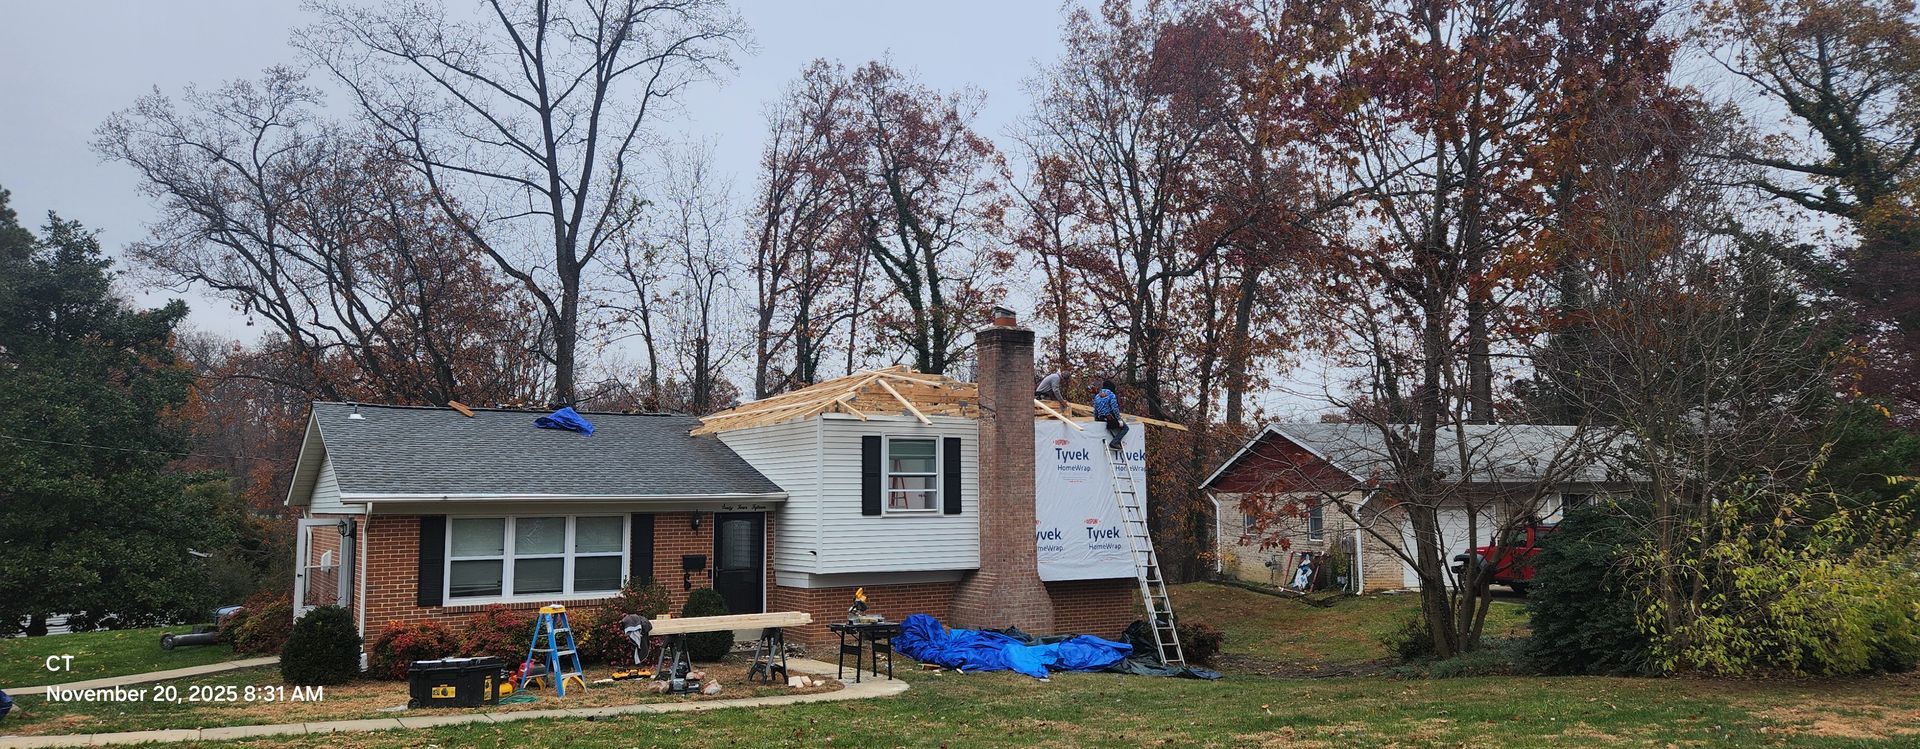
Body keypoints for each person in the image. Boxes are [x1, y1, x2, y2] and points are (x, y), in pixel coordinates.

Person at [1092, 379, 1128, 449]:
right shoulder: (1111, 395)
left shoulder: (1097, 396)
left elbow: (1095, 410)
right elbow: (1114, 408)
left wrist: (1096, 419)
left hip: (1101, 418)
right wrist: (1118, 419)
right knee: (1125, 428)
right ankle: (1114, 442)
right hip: (1110, 418)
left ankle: (1114, 440)